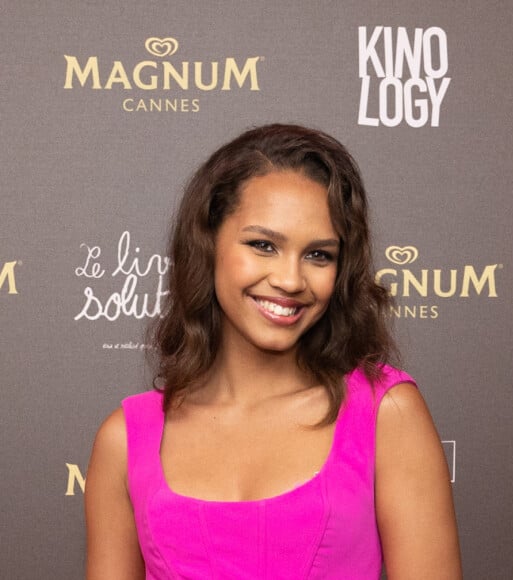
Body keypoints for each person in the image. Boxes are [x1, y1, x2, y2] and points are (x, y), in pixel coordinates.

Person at [85, 124, 462, 579]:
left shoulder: (387, 413)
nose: (290, 280)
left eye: (319, 255)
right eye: (263, 245)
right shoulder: (125, 439)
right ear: (207, 244)